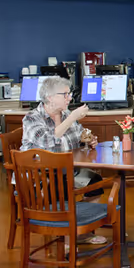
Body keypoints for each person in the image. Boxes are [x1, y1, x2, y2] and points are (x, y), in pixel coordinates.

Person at [20, 76, 105, 245]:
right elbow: (48, 142)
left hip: (64, 171)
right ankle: (67, 241)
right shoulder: (31, 119)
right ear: (50, 97)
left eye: (69, 94)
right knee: (63, 187)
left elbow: (77, 137)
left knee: (95, 182)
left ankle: (82, 232)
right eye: (65, 94)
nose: (69, 98)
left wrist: (88, 140)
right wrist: (72, 118)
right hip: (38, 177)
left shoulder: (65, 114)